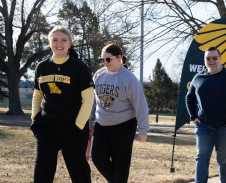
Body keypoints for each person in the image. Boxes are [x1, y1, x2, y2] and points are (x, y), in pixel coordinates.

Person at [30, 25, 94, 183]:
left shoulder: (79, 67)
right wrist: (35, 118)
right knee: (43, 168)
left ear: (70, 43)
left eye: (64, 40)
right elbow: (38, 94)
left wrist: (78, 125)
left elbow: (88, 99)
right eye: (55, 40)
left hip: (73, 126)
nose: (59, 43)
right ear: (49, 42)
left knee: (78, 169)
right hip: (47, 125)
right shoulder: (42, 66)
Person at [90, 43, 150, 183]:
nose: (105, 63)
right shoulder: (99, 75)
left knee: (120, 163)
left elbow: (140, 104)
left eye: (108, 59)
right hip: (102, 124)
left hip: (123, 125)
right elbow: (93, 100)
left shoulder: (129, 78)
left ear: (119, 58)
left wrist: (143, 129)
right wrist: (89, 120)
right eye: (102, 60)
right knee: (98, 158)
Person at [185, 47, 226, 183]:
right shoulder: (198, 77)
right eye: (208, 58)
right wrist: (193, 116)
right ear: (205, 60)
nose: (211, 61)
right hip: (203, 126)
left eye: (214, 58)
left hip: (225, 128)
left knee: (224, 160)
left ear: (220, 58)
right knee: (201, 157)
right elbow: (189, 98)